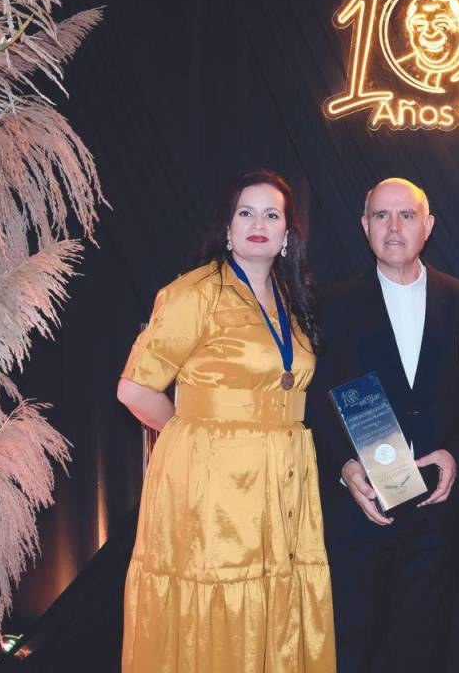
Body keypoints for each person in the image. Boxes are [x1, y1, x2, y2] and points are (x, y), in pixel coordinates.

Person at [116, 170, 335, 672]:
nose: (258, 223)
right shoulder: (193, 293)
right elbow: (133, 387)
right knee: (218, 589)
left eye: (271, 214)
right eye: (246, 212)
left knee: (275, 601)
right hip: (214, 478)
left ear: (287, 234)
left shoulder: (293, 301)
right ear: (229, 229)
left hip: (284, 473)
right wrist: (195, 432)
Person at [311, 177, 459, 672]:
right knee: (356, 650)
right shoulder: (330, 304)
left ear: (427, 226)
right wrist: (344, 469)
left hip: (436, 512)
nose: (393, 227)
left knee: (427, 653)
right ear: (364, 226)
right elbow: (314, 404)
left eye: (406, 215)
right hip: (360, 513)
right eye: (381, 216)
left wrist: (457, 454)